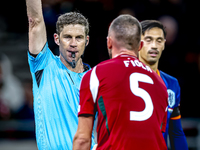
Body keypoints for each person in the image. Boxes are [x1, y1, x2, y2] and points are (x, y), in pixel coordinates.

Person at [73, 14, 168, 150]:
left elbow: (82, 139)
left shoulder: (96, 74)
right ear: (140, 45)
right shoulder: (160, 83)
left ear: (109, 42)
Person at [25, 0, 96, 149]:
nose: (73, 43)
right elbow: (35, 22)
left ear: (86, 41)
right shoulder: (44, 65)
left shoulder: (96, 79)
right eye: (67, 37)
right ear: (57, 39)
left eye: (79, 38)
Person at [139, 20, 188, 150]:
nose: (154, 45)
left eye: (159, 40)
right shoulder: (121, 78)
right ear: (138, 43)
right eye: (149, 40)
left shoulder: (172, 84)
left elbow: (176, 132)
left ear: (164, 45)